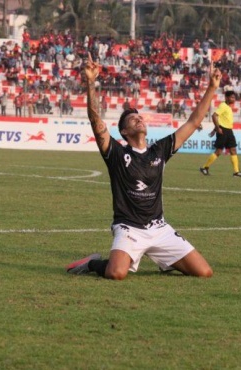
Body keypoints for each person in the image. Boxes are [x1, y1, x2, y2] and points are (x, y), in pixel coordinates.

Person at [65, 53, 219, 280]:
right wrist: (91, 82)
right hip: (129, 228)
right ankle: (92, 264)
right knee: (116, 273)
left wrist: (212, 87)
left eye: (139, 117)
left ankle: (164, 260)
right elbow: (95, 122)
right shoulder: (117, 154)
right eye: (131, 120)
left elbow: (194, 122)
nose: (138, 119)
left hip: (159, 228)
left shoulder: (160, 150)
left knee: (204, 272)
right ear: (124, 132)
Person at [199, 91, 241, 177]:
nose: (233, 99)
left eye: (234, 97)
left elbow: (221, 119)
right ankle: (204, 167)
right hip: (223, 131)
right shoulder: (223, 106)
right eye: (232, 97)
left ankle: (236, 172)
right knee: (218, 151)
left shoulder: (228, 107)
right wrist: (217, 128)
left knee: (233, 150)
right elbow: (214, 116)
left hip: (229, 131)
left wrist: (215, 130)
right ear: (226, 97)